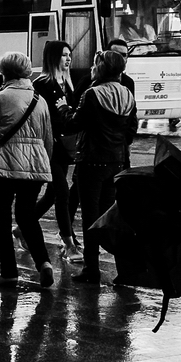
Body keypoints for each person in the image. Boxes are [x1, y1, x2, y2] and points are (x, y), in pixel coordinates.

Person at [0, 51, 55, 289]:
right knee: (27, 217)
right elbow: (48, 139)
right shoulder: (40, 100)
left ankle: (9, 273)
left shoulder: (1, 97)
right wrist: (43, 164)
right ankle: (44, 264)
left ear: (3, 72)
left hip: (5, 165)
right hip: (36, 166)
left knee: (2, 219)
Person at [60, 50, 138, 284]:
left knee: (91, 219)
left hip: (91, 161)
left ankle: (91, 268)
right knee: (110, 218)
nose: (92, 69)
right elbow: (131, 131)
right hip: (116, 162)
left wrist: (63, 108)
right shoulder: (127, 94)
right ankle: (124, 269)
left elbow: (74, 124)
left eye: (95, 65)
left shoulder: (92, 94)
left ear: (101, 69)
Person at [31, 40, 84, 264]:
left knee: (53, 194)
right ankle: (68, 242)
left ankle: (24, 226)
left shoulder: (69, 83)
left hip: (64, 147)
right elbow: (42, 116)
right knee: (62, 191)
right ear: (53, 58)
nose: (68, 58)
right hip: (48, 145)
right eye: (64, 55)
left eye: (69, 54)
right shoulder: (42, 83)